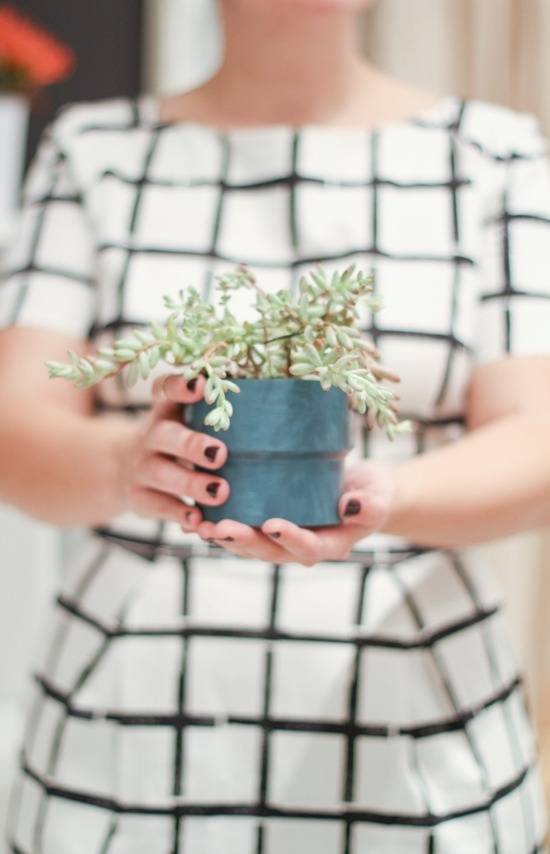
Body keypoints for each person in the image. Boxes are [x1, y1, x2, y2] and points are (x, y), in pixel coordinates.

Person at [1, 0, 549, 851]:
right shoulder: (95, 150)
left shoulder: (493, 155)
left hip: (414, 729)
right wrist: (133, 462)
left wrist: (378, 494)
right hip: (126, 739)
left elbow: (537, 439)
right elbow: (15, 427)